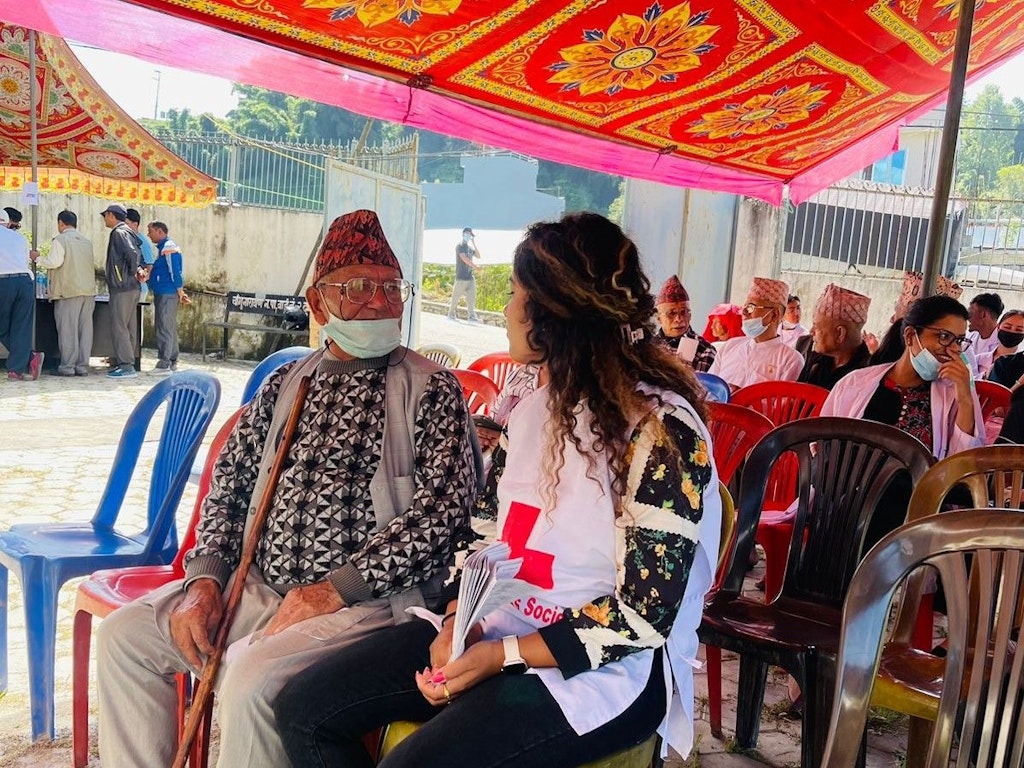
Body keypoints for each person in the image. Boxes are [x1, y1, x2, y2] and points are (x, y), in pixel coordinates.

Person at [273, 212, 722, 768]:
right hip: (499, 626)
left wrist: (499, 655)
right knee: (303, 709)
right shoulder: (531, 415)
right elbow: (484, 537)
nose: (506, 310)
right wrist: (459, 624)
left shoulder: (663, 432)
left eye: (514, 294)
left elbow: (643, 616)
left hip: (601, 667)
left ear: (552, 315)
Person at [95, 209, 479, 768]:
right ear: (318, 304)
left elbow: (442, 517)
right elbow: (228, 489)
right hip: (261, 589)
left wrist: (332, 589)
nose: (379, 302)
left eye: (391, 288)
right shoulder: (286, 382)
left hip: (369, 607)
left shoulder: (431, 388)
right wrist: (206, 582)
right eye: (358, 287)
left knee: (251, 683)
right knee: (125, 638)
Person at [823, 295, 984, 463]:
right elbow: (821, 444)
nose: (955, 349)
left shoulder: (955, 392)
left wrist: (965, 401)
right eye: (944, 337)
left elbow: (963, 464)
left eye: (959, 340)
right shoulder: (854, 383)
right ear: (910, 335)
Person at [708, 277, 803, 390]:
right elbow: (708, 389)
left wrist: (742, 396)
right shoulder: (730, 346)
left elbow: (782, 400)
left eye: (751, 307)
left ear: (774, 315)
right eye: (745, 307)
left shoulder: (790, 360)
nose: (744, 312)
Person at [31, 210, 96, 377]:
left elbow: (54, 262)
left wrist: (38, 258)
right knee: (85, 331)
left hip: (68, 291)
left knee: (68, 331)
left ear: (61, 223)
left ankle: (67, 367)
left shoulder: (60, 240)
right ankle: (82, 366)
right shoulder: (87, 242)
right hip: (88, 291)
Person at [798, 283, 872, 390]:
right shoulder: (816, 360)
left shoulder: (866, 374)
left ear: (840, 333)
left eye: (816, 327)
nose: (811, 331)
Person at [0, 208, 44, 381]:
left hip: (3, 282)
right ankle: (16, 369)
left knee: (3, 327)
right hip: (24, 282)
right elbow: (24, 261)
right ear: (8, 223)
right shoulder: (20, 238)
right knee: (21, 326)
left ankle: (29, 357)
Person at [100, 203, 142, 379]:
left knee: (120, 327)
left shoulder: (119, 232)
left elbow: (131, 253)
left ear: (111, 215)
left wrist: (131, 271)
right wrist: (136, 271)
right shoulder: (129, 232)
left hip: (122, 286)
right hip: (132, 286)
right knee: (129, 327)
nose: (104, 219)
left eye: (105, 215)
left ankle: (125, 365)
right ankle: (129, 363)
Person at [145, 221, 189, 374]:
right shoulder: (164, 248)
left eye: (150, 231)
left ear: (159, 231)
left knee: (164, 327)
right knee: (169, 327)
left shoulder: (169, 247)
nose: (148, 235)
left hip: (167, 293)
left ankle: (164, 363)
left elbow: (175, 271)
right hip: (164, 292)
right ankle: (172, 359)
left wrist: (180, 291)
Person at [654, 275, 716, 372]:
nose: (679, 319)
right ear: (659, 318)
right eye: (672, 313)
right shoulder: (648, 345)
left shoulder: (704, 350)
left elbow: (698, 382)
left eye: (683, 312)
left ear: (690, 316)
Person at [979, 309, 1024, 381]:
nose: (1012, 331)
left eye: (1019, 330)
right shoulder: (978, 360)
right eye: (1007, 327)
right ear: (998, 327)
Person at [448, 226, 480, 322]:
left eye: (470, 234)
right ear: (463, 234)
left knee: (471, 296)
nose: (468, 236)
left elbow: (478, 256)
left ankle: (471, 316)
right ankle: (451, 314)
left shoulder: (470, 248)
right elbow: (464, 258)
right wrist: (475, 266)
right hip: (461, 277)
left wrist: (474, 243)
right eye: (467, 234)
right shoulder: (460, 246)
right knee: (456, 297)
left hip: (470, 277)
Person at [966, 292, 1004, 362]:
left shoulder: (1003, 345)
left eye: (970, 314)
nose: (967, 318)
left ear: (983, 314)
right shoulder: (969, 338)